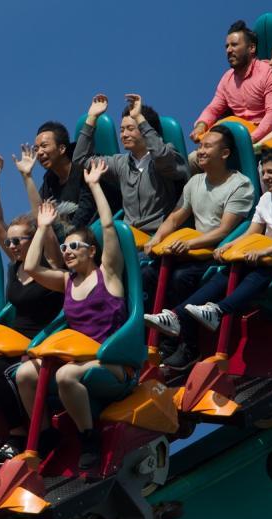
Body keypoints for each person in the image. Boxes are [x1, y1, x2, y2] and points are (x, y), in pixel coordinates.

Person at [145, 148, 272, 348]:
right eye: (264, 173)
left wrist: (266, 251)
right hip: (267, 260)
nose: (265, 177)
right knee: (227, 271)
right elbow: (252, 232)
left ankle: (218, 311)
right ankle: (175, 316)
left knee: (260, 272)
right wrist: (228, 245)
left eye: (271, 172)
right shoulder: (267, 199)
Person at [16, 158, 129, 471]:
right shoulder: (67, 280)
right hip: (74, 356)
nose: (66, 252)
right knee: (24, 373)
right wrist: (42, 228)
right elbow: (31, 267)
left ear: (90, 251)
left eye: (73, 246)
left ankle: (88, 437)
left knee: (66, 375)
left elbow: (107, 226)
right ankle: (45, 433)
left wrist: (94, 186)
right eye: (64, 248)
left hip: (112, 361)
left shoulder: (109, 274)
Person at [0, 154, 65, 465]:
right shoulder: (15, 264)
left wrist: (28, 178)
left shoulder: (50, 263)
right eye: (9, 243)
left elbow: (47, 227)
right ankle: (7, 433)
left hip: (44, 337)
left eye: (18, 242)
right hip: (14, 340)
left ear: (33, 239)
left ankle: (40, 433)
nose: (11, 246)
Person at [142, 125, 254, 365]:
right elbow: (174, 217)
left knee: (180, 278)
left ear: (224, 154)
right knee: (148, 273)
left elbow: (224, 230)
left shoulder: (240, 185)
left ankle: (189, 345)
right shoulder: (194, 182)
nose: (200, 151)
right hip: (192, 249)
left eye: (207, 146)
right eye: (199, 146)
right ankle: (157, 339)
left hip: (218, 251)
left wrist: (190, 243)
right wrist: (156, 238)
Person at [74, 93, 190, 234]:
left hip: (161, 236)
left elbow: (160, 156)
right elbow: (81, 159)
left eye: (130, 128)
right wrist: (92, 118)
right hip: (130, 236)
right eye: (122, 130)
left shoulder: (169, 154)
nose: (124, 135)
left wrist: (139, 117)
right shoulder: (120, 163)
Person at [188, 20, 272, 170]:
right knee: (194, 159)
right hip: (235, 138)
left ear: (251, 48)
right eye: (227, 46)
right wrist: (201, 126)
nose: (228, 50)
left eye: (234, 45)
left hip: (264, 140)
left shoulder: (269, 72)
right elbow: (213, 108)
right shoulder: (227, 79)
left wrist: (247, 141)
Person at [18, 122, 122, 240]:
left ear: (62, 148)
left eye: (44, 146)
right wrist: (27, 176)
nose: (40, 152)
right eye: (36, 149)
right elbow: (40, 217)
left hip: (102, 236)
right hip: (70, 244)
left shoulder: (85, 169)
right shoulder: (49, 182)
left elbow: (86, 214)